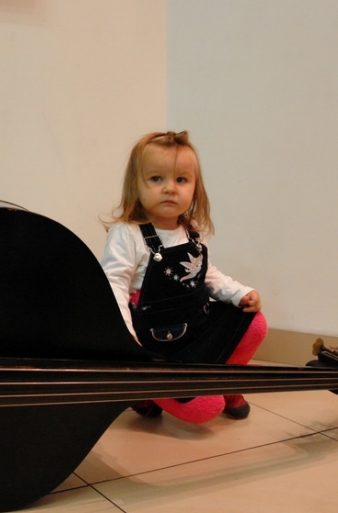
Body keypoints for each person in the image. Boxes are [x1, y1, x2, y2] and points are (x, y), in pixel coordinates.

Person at [100, 131, 267, 422]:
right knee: (206, 409)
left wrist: (238, 292)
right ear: (135, 185)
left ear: (195, 188)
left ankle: (228, 383)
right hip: (154, 344)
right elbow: (113, 285)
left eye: (181, 180)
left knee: (255, 323)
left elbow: (206, 274)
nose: (170, 188)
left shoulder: (191, 231)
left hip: (194, 329)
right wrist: (126, 341)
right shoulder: (127, 233)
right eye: (156, 179)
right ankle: (145, 390)